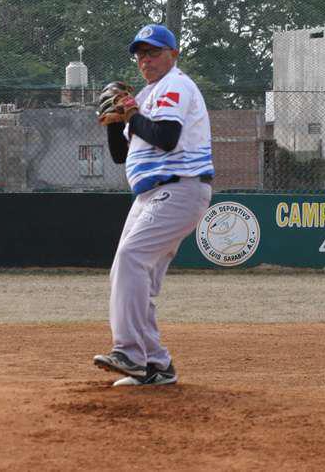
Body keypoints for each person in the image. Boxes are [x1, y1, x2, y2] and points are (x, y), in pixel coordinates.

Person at [92, 24, 214, 386]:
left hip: (179, 187)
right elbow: (121, 155)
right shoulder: (146, 95)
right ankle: (156, 366)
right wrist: (114, 121)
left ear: (173, 54)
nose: (146, 59)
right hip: (150, 194)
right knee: (131, 272)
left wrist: (131, 114)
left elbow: (166, 137)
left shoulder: (176, 85)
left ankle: (130, 353)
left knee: (131, 259)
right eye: (140, 54)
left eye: (154, 52)